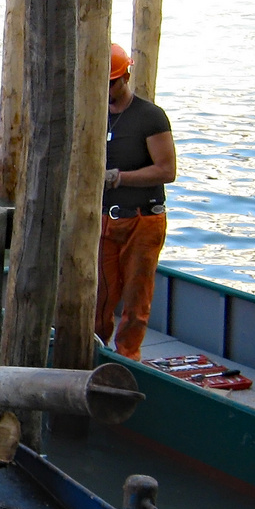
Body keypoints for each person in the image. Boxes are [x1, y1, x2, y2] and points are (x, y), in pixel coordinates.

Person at [95, 44, 177, 360]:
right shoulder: (94, 115)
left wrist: (119, 177)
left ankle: (129, 358)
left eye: (112, 83)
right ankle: (95, 351)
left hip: (143, 220)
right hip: (103, 220)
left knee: (136, 297)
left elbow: (166, 170)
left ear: (126, 76)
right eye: (101, 83)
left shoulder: (149, 117)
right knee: (100, 296)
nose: (107, 90)